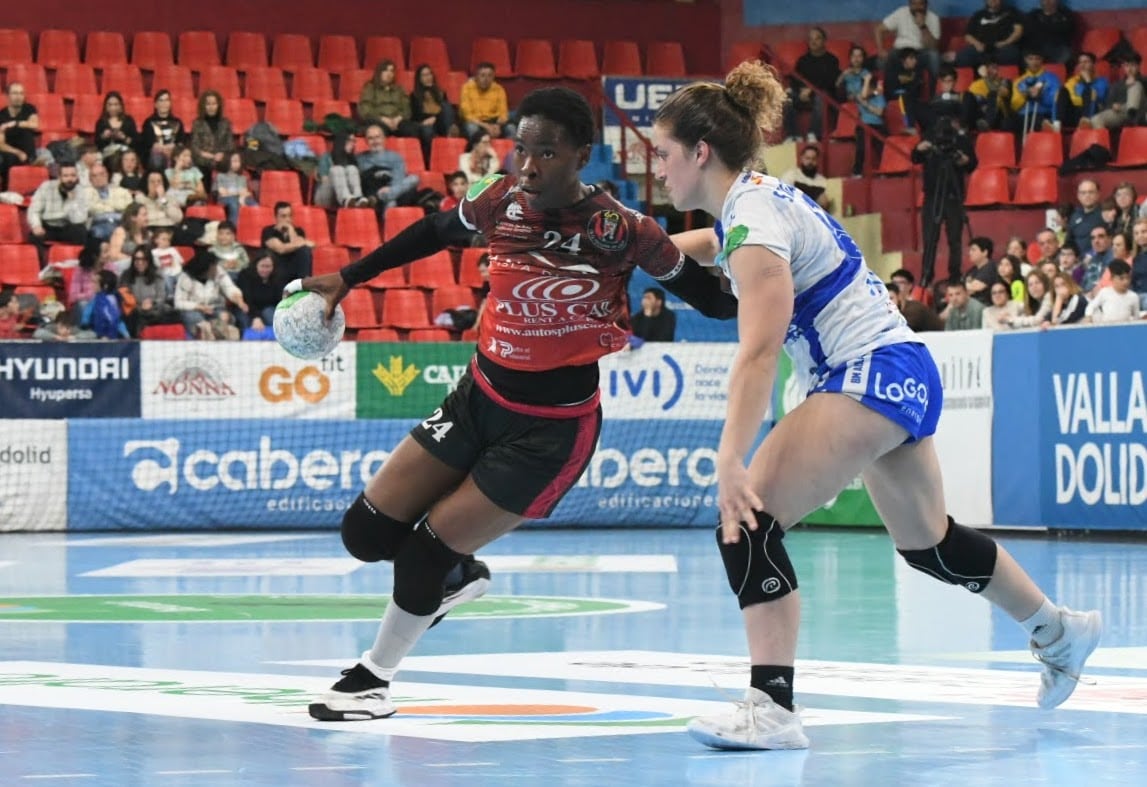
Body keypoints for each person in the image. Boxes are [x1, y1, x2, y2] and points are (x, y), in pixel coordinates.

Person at [649, 60, 1100, 750]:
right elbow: (714, 243)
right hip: (902, 368)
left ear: (700, 152)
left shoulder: (755, 218)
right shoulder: (755, 201)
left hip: (866, 372)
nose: (657, 169)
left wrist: (730, 455)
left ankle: (771, 705)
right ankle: (1058, 629)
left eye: (663, 154)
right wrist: (635, 256)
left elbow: (759, 352)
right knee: (931, 545)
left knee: (746, 518)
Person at [294, 86, 738, 722]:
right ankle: (453, 578)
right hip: (479, 397)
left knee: (423, 551)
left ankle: (373, 679)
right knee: (364, 534)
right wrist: (350, 277)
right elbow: (435, 230)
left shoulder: (623, 230)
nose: (528, 167)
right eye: (521, 150)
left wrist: (768, 259)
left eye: (547, 153)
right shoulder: (500, 199)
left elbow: (715, 301)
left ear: (582, 155)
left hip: (549, 434)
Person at [912, 114, 976, 286]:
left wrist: (964, 160)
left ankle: (955, 276)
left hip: (954, 196)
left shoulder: (961, 140)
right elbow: (914, 157)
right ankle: (926, 275)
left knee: (955, 239)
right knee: (930, 239)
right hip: (933, 196)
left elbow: (972, 164)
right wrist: (920, 148)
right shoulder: (929, 137)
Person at [0, 82, 38, 190]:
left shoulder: (29, 108)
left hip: (29, 153)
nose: (19, 97)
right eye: (15, 93)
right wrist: (18, 152)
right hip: (12, 153)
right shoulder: (1, 115)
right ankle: (7, 191)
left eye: (21, 93)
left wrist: (15, 123)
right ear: (7, 96)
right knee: (7, 159)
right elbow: (1, 144)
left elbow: (34, 124)